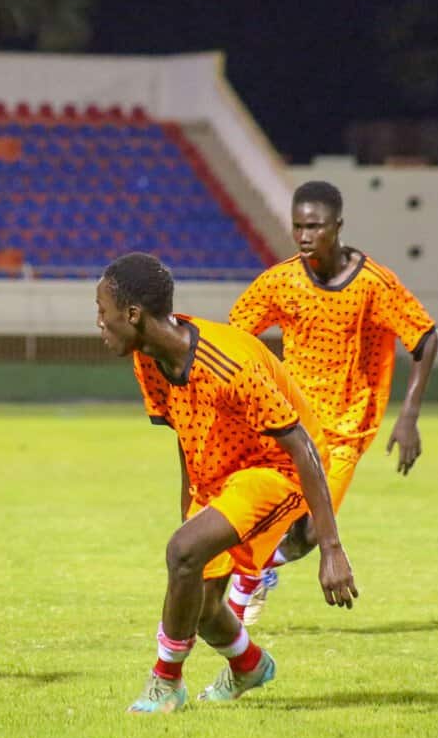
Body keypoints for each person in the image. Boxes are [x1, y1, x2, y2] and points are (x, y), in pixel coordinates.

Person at [96, 253, 357, 714]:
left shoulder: (229, 364)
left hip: (277, 469)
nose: (99, 323)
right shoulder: (148, 360)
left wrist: (332, 549)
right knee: (201, 606)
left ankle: (165, 683)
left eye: (104, 312)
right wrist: (190, 510)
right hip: (220, 471)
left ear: (133, 315)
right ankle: (250, 666)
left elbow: (302, 447)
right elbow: (184, 432)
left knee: (181, 553)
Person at [225, 180, 438, 625]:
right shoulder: (281, 280)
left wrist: (410, 416)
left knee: (307, 536)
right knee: (258, 514)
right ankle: (239, 599)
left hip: (346, 431)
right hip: (288, 422)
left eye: (315, 227)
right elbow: (235, 335)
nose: (304, 236)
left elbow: (425, 337)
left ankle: (255, 575)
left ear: (337, 226)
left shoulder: (374, 284)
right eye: (298, 226)